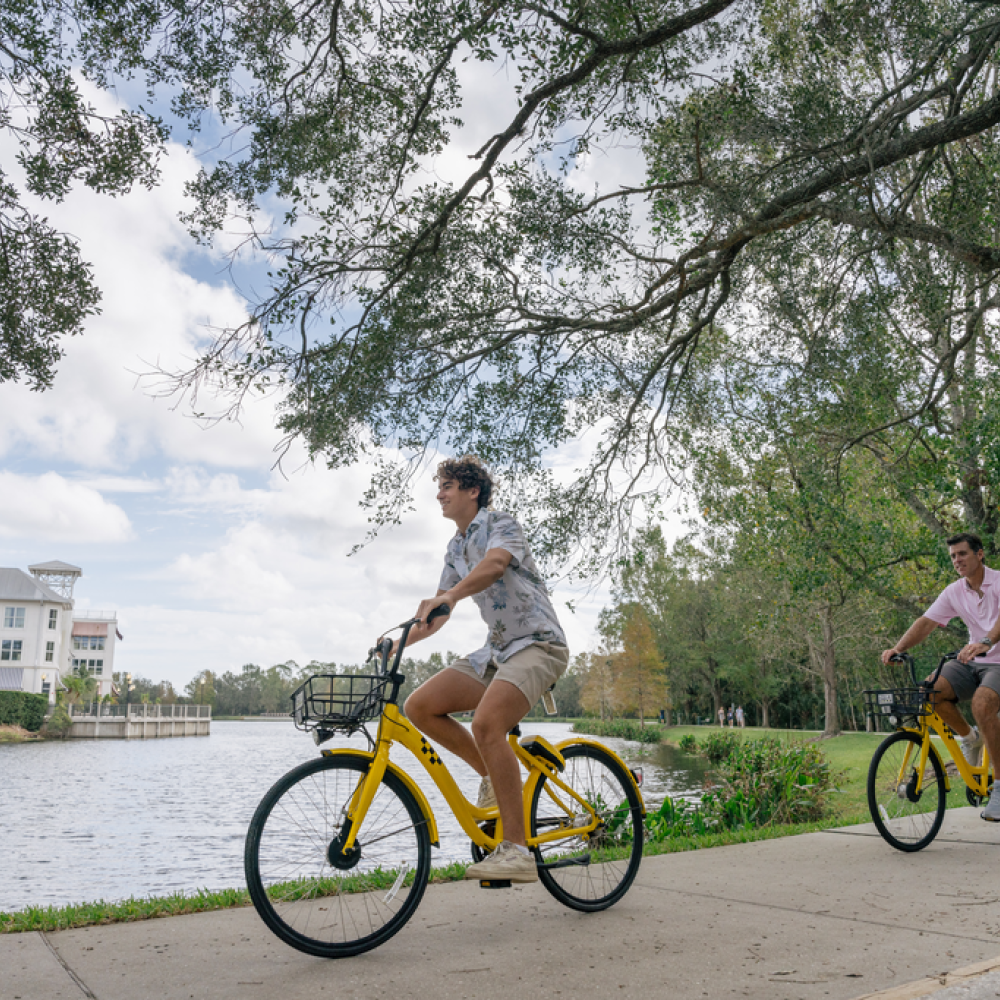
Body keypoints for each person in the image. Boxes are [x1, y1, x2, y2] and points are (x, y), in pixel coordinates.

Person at [402, 456, 570, 882]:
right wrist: (398, 643)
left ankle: (516, 850)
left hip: (539, 644)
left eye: (447, 486)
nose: (439, 494)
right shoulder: (455, 548)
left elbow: (494, 566)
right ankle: (493, 778)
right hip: (497, 652)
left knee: (487, 723)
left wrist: (451, 596)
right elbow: (438, 614)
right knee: (419, 706)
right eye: (440, 487)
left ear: (472, 491)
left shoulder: (501, 524)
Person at [881, 532, 1000, 821]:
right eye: (953, 556)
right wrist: (898, 648)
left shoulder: (999, 581)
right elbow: (926, 622)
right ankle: (970, 738)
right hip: (971, 660)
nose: (957, 560)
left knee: (982, 704)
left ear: (979, 554)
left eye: (962, 554)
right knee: (929, 691)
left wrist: (986, 642)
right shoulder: (954, 591)